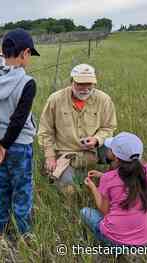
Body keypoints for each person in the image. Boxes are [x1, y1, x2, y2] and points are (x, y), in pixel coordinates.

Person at [0, 28, 40, 241]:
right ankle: (24, 233)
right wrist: (6, 145)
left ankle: (0, 231)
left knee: (1, 188)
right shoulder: (28, 83)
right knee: (22, 189)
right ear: (24, 53)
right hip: (20, 146)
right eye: (30, 54)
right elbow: (19, 120)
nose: (30, 58)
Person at [37, 64, 117, 192]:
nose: (85, 89)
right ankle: (70, 179)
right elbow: (45, 131)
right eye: (80, 84)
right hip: (67, 154)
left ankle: (113, 182)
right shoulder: (55, 100)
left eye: (89, 84)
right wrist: (50, 157)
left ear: (94, 83)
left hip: (95, 150)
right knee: (68, 189)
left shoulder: (104, 100)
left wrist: (96, 139)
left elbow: (109, 127)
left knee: (122, 150)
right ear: (71, 82)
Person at [82, 132, 147, 246]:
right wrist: (103, 176)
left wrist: (92, 187)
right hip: (143, 241)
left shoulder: (109, 178)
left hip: (115, 241)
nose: (107, 150)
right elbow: (127, 180)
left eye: (110, 148)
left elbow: (104, 210)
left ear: (115, 157)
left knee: (85, 212)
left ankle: (108, 246)